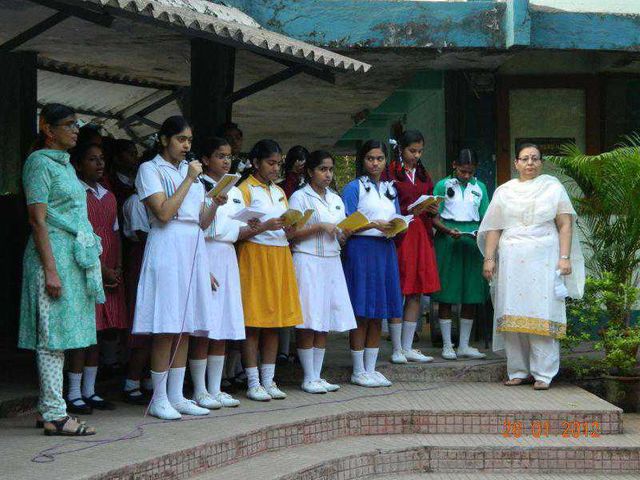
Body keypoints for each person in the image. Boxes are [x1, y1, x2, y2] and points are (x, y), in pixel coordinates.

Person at [133, 116, 224, 419]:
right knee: (166, 324)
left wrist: (215, 204)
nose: (186, 145)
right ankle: (158, 397)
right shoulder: (150, 170)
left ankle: (176, 394)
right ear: (164, 139)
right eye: (180, 139)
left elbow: (201, 221)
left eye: (189, 140)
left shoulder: (191, 173)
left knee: (185, 324)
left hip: (192, 245)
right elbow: (162, 213)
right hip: (167, 243)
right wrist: (188, 180)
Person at [20, 104, 103, 435]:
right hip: (50, 257)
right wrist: (50, 270)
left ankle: (48, 408)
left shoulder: (65, 165)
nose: (76, 129)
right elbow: (37, 219)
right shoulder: (39, 163)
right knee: (52, 336)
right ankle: (55, 414)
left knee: (63, 334)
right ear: (47, 128)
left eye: (77, 124)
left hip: (70, 257)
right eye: (68, 124)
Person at [479, 143, 585, 390]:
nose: (530, 163)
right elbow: (494, 227)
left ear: (541, 162)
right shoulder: (504, 191)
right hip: (512, 258)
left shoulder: (552, 187)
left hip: (544, 256)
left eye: (535, 159)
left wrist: (565, 257)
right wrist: (489, 258)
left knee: (542, 311)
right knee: (512, 311)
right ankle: (517, 370)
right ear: (516, 163)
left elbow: (565, 225)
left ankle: (543, 374)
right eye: (525, 159)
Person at [188, 137, 259, 409]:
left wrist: (253, 226)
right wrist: (202, 267)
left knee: (222, 325)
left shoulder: (236, 189)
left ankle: (215, 388)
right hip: (205, 253)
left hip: (227, 254)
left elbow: (235, 229)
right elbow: (197, 227)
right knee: (205, 326)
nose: (226, 160)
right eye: (219, 155)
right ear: (206, 160)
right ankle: (199, 388)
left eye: (229, 155)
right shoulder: (198, 186)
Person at [237, 139, 303, 401]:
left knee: (274, 323)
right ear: (256, 162)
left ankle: (269, 378)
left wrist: (290, 228)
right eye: (271, 163)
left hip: (279, 255)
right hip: (255, 255)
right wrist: (265, 227)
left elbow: (285, 225)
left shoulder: (279, 191)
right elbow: (237, 230)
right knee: (253, 322)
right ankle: (253, 381)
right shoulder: (244, 189)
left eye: (279, 163)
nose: (276, 168)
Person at [64, 143, 128, 413]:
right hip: (86, 269)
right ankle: (73, 392)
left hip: (109, 269)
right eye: (92, 160)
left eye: (101, 159)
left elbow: (115, 234)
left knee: (100, 332)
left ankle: (90, 390)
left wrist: (117, 267)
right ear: (78, 165)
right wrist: (100, 269)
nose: (99, 164)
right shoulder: (76, 194)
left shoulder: (110, 196)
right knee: (83, 334)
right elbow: (78, 235)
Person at [288, 150, 357, 393]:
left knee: (324, 318)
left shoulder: (336, 199)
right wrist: (318, 226)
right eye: (322, 169)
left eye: (330, 169)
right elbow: (291, 233)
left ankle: (317, 375)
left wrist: (344, 234)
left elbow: (338, 236)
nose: (328, 174)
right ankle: (308, 376)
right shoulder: (299, 198)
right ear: (309, 171)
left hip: (331, 260)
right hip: (307, 260)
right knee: (308, 318)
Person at [342, 140, 403, 388]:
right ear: (362, 160)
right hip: (361, 250)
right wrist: (371, 224)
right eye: (370, 158)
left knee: (379, 311)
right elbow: (345, 223)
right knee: (362, 310)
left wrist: (396, 226)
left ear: (385, 160)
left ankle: (371, 367)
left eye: (379, 158)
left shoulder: (391, 189)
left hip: (384, 249)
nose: (375, 163)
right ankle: (358, 370)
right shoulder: (354, 187)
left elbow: (396, 216)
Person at [383, 130, 440, 364]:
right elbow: (387, 206)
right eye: (411, 151)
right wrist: (409, 211)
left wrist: (433, 209)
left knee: (416, 291)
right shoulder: (390, 174)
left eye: (420, 151)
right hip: (401, 235)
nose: (416, 155)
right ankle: (396, 348)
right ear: (401, 149)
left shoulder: (424, 175)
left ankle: (407, 346)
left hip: (421, 235)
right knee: (399, 289)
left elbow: (428, 201)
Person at [432, 149, 490, 360]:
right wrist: (447, 230)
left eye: (470, 172)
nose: (466, 176)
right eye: (463, 171)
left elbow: (486, 217)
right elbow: (433, 216)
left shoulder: (480, 187)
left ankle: (464, 345)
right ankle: (448, 345)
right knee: (447, 293)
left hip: (472, 241)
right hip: (448, 240)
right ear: (454, 165)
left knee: (471, 293)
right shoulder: (442, 185)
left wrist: (479, 233)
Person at [121, 189, 152, 404]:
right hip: (142, 258)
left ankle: (149, 378)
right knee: (141, 319)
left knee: (156, 325)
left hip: (156, 258)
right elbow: (142, 234)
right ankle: (132, 381)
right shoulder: (136, 201)